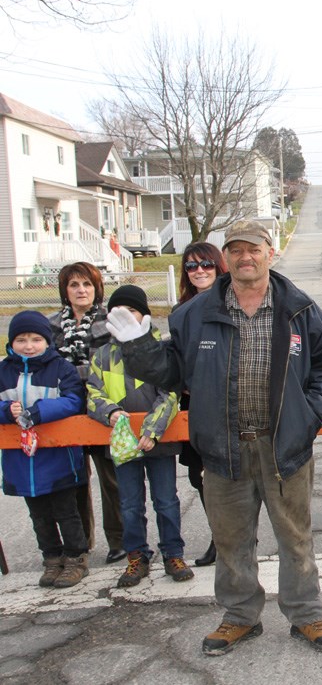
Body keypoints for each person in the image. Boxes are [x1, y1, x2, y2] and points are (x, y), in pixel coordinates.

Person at [106, 219, 322, 656]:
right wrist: (138, 346)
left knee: (295, 536)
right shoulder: (193, 315)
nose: (245, 257)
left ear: (269, 253)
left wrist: (308, 418)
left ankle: (307, 613)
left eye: (253, 249)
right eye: (236, 250)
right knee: (231, 539)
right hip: (222, 449)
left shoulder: (301, 310)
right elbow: (170, 372)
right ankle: (240, 616)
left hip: (285, 448)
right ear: (228, 258)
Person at [87, 286, 194, 588]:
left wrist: (152, 430)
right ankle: (137, 556)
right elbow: (92, 392)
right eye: (119, 312)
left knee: (166, 501)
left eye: (132, 311)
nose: (127, 316)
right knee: (130, 504)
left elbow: (170, 393)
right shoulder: (103, 356)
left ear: (144, 316)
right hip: (123, 444)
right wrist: (109, 412)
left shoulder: (159, 349)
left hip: (157, 441)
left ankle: (173, 552)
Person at [0, 311, 89, 588]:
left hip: (57, 457)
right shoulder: (3, 371)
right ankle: (51, 558)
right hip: (21, 461)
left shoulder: (60, 367)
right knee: (39, 514)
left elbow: (74, 400)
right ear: (11, 342)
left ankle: (75, 557)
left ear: (47, 341)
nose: (29, 345)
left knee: (66, 510)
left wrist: (40, 412)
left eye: (36, 339)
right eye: (22, 339)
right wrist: (6, 411)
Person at [49, 261, 124, 564]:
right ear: (65, 291)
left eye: (87, 285)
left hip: (104, 405)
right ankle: (81, 541)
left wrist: (77, 372)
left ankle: (119, 539)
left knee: (112, 478)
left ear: (97, 288)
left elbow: (114, 362)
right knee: (75, 478)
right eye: (74, 285)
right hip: (66, 410)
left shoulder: (111, 321)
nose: (81, 290)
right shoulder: (52, 324)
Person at [176, 242, 230, 567]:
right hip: (192, 406)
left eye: (206, 264)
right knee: (199, 476)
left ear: (218, 267)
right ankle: (218, 537)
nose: (199, 271)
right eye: (192, 266)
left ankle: (234, 539)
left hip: (226, 406)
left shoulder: (231, 303)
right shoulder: (180, 310)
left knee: (228, 477)